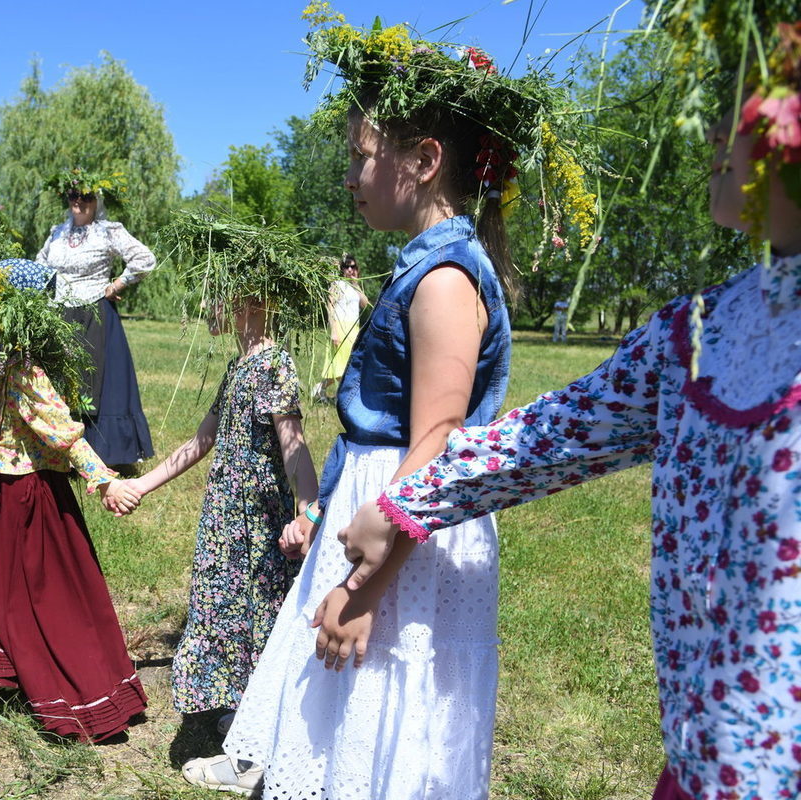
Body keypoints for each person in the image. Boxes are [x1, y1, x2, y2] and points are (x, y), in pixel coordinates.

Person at [338, 18, 801, 800]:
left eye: (746, 93)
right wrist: (406, 504)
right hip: (705, 767)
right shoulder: (696, 337)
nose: (714, 129)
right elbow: (546, 437)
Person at [187, 10, 596, 797]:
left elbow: (436, 442)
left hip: (407, 534)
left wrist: (364, 589)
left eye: (359, 155)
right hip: (383, 512)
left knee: (384, 720)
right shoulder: (422, 269)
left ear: (424, 159)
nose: (348, 175)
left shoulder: (444, 281)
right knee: (345, 723)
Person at [0, 251, 147, 742]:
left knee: (38, 596)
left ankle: (60, 684)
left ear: (9, 311)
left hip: (27, 494)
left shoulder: (26, 368)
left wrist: (105, 480)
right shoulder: (8, 359)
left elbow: (61, 431)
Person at [110, 224, 320, 727]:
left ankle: (260, 708)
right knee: (220, 599)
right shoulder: (238, 365)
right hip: (224, 514)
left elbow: (294, 449)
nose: (208, 308)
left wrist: (310, 511)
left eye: (215, 297)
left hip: (255, 518)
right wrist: (142, 483)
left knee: (255, 602)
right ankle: (235, 698)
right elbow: (202, 440)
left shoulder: (273, 365)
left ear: (246, 300)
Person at [37, 168, 154, 469]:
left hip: (95, 314)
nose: (79, 202)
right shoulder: (57, 232)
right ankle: (61, 449)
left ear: (96, 198)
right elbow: (40, 266)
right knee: (60, 379)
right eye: (74, 195)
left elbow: (145, 259)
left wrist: (117, 284)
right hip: (59, 314)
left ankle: (102, 452)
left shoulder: (108, 231)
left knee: (95, 381)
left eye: (86, 196)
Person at [312, 252, 369, 403]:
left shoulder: (355, 285)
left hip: (354, 328)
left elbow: (364, 303)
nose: (350, 270)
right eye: (346, 267)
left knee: (348, 364)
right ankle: (341, 396)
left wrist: (356, 283)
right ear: (341, 269)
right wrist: (334, 332)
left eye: (353, 267)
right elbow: (330, 308)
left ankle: (322, 388)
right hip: (340, 327)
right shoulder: (337, 284)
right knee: (341, 364)